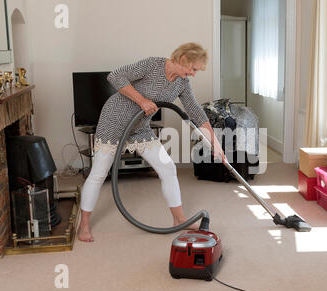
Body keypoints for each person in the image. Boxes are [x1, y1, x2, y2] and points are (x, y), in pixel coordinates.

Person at [77, 43, 225, 242]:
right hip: (114, 120)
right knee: (98, 173)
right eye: (193, 69)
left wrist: (215, 142)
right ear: (183, 60)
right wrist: (141, 100)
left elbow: (195, 110)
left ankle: (179, 219)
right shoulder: (152, 65)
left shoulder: (182, 83)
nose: (194, 74)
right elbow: (115, 75)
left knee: (168, 168)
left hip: (140, 127)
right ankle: (83, 225)